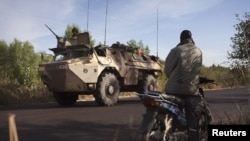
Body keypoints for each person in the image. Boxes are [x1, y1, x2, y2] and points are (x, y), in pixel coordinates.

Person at [164, 29, 202, 141]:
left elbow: (168, 70)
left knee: (174, 114)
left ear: (181, 39)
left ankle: (174, 132)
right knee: (192, 118)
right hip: (191, 90)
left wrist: (175, 79)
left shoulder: (176, 50)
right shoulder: (198, 51)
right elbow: (196, 70)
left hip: (173, 89)